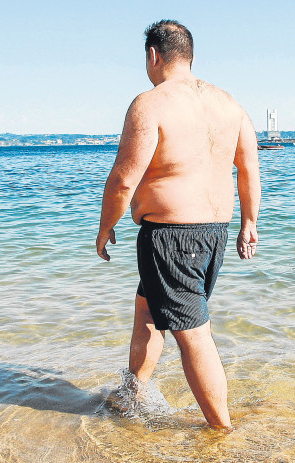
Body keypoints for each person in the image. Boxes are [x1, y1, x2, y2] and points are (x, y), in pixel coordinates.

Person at [95, 20, 260, 430]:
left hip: (171, 237)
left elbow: (123, 178)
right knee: (147, 311)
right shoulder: (229, 104)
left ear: (154, 55)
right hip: (214, 233)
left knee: (193, 334)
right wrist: (250, 223)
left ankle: (222, 431)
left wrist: (104, 227)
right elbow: (249, 169)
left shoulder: (151, 103)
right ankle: (131, 396)